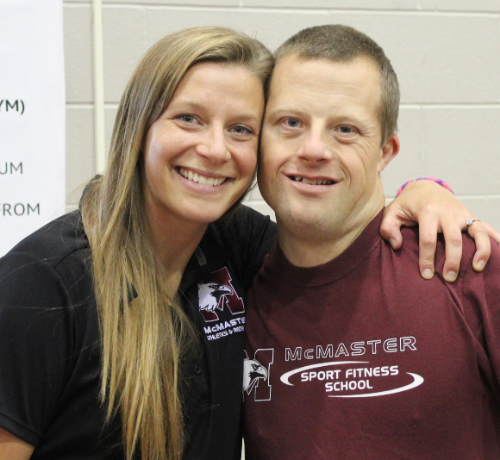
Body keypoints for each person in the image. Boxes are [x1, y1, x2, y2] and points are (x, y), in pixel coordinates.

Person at [0, 26, 495, 460]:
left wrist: (426, 188)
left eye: (239, 128)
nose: (214, 149)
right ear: (138, 125)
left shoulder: (241, 252)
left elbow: (337, 231)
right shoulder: (43, 284)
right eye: (188, 118)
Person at [243, 24, 500, 459]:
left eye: (345, 129)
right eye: (290, 122)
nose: (314, 148)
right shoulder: (236, 289)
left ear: (385, 151)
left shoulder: (466, 264)